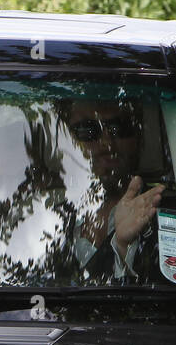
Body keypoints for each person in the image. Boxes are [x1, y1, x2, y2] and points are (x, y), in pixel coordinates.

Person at [59, 93, 165, 283]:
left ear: (139, 138)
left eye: (119, 128)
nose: (106, 143)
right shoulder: (48, 215)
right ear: (67, 142)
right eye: (87, 129)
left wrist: (122, 247)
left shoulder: (168, 215)